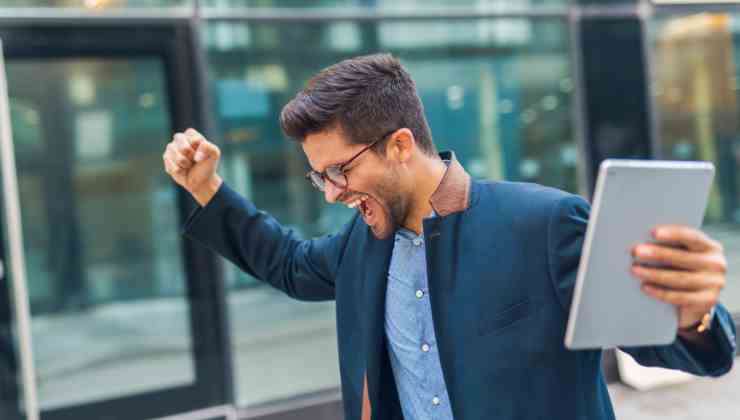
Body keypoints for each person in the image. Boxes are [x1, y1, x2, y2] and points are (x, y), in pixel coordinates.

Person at [162, 54, 736, 420]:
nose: (332, 192)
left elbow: (664, 344)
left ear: (400, 144)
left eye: (340, 171)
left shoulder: (544, 224)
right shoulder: (361, 245)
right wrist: (208, 188)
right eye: (320, 178)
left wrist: (694, 316)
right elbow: (287, 263)